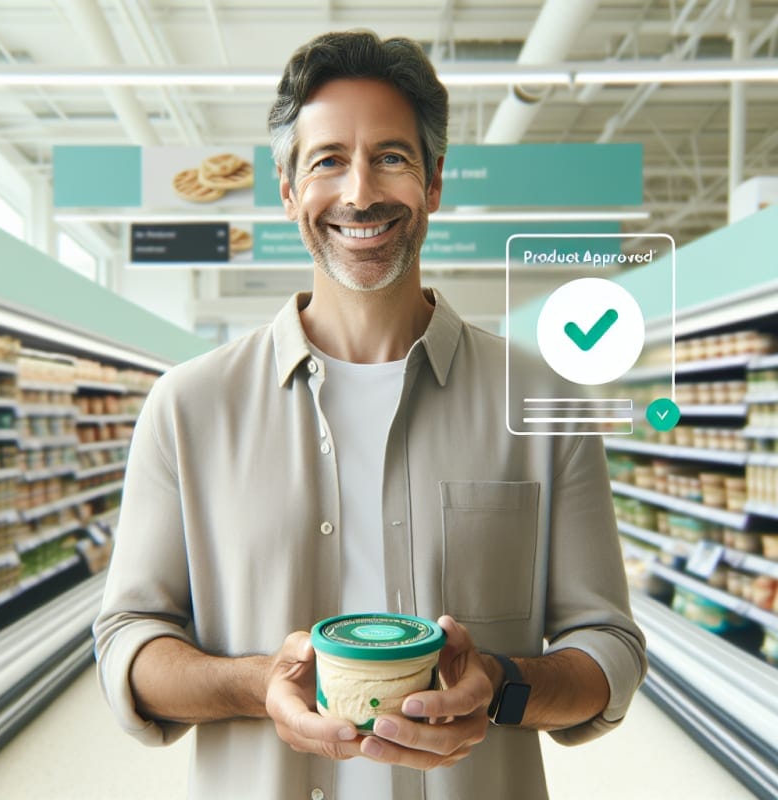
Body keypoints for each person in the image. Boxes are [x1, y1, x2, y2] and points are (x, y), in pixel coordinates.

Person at [93, 30, 647, 800]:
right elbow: (130, 642)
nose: (359, 193)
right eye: (327, 161)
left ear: (434, 182)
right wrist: (260, 686)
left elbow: (608, 648)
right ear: (288, 190)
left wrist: (501, 687)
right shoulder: (188, 408)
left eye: (391, 156)